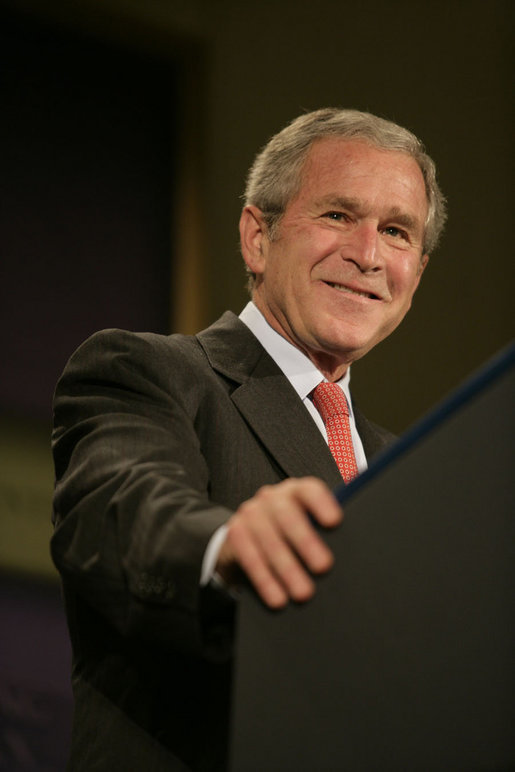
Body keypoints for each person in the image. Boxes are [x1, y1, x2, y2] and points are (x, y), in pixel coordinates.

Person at [51, 108, 446, 771]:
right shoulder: (149, 373)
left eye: (395, 231)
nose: (368, 255)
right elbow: (121, 510)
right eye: (336, 216)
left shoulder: (415, 473)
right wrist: (224, 544)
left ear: (417, 275)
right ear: (257, 237)